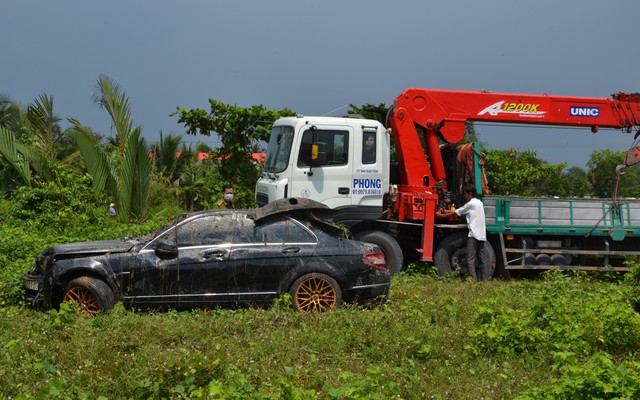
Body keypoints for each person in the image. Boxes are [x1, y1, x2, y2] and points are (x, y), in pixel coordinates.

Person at [438, 184, 490, 281]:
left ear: (470, 193)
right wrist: (445, 211)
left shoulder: (470, 204)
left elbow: (456, 212)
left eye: (465, 193)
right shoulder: (479, 203)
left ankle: (473, 280)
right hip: (482, 235)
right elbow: (459, 211)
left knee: (470, 259)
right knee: (482, 259)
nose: (464, 195)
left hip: (473, 235)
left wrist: (441, 216)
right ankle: (483, 279)